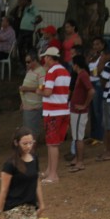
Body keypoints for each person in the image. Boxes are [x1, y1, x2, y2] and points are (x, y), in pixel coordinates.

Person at [37, 47, 70, 184]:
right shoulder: (65, 71)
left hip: (53, 111)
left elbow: (48, 92)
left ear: (50, 58)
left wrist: (38, 91)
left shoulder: (51, 72)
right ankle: (49, 170)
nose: (44, 60)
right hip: (63, 109)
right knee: (53, 143)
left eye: (46, 57)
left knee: (52, 144)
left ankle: (53, 174)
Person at [68, 55, 94, 172]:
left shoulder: (83, 75)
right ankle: (77, 159)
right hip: (76, 110)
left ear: (76, 65)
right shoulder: (82, 75)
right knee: (77, 137)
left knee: (79, 137)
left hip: (79, 111)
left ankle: (80, 162)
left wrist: (84, 105)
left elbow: (91, 90)